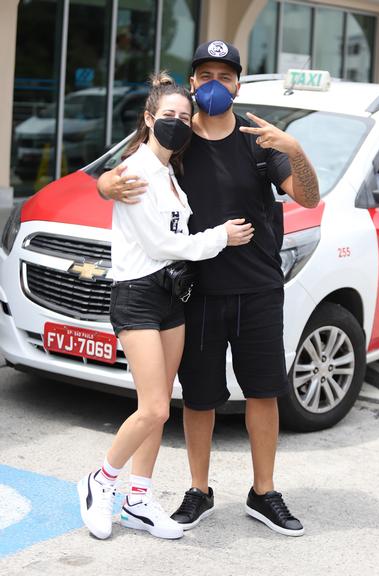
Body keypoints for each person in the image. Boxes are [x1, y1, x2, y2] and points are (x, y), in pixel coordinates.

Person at [97, 40, 320, 537]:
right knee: (199, 398)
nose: (214, 84)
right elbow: (128, 171)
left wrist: (296, 150)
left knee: (264, 392)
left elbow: (307, 195)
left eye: (225, 75)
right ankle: (198, 490)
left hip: (259, 287)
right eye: (205, 75)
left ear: (238, 83)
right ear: (193, 83)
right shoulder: (177, 140)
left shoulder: (258, 139)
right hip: (193, 293)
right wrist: (104, 185)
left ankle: (264, 493)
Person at [77, 71, 254, 541]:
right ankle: (101, 482)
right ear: (150, 120)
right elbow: (159, 243)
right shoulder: (134, 171)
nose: (176, 123)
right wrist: (220, 237)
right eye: (168, 116)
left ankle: (138, 497)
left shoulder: (173, 173)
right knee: (154, 408)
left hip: (171, 296)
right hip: (137, 294)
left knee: (159, 402)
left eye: (183, 116)